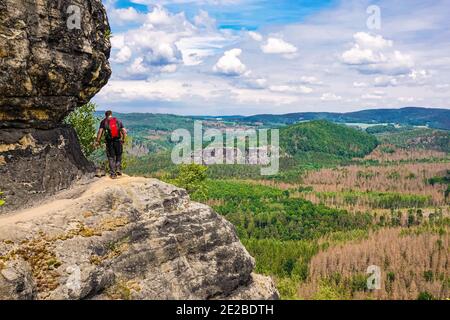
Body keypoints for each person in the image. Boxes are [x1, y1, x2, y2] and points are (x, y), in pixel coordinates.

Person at [95, 110, 126, 179]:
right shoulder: (118, 121)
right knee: (119, 155)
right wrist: (123, 139)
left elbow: (100, 131)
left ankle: (113, 174)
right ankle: (118, 169)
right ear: (111, 114)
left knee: (111, 157)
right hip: (118, 141)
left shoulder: (104, 121)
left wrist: (97, 141)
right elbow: (124, 131)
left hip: (109, 142)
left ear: (106, 115)